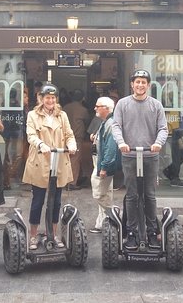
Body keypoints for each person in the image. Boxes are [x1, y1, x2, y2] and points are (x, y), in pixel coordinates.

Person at [111, 69, 168, 250]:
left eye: (144, 82)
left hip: (150, 156)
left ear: (148, 85)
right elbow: (116, 126)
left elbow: (163, 129)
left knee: (150, 195)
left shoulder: (156, 105)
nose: (140, 85)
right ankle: (131, 232)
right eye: (137, 82)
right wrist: (121, 143)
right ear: (132, 84)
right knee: (132, 195)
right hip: (130, 155)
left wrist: (158, 143)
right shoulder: (122, 104)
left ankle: (152, 232)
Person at [23, 84, 77, 250]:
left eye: (53, 98)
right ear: (41, 98)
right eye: (47, 98)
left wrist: (72, 144)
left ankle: (53, 234)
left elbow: (69, 134)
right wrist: (41, 144)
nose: (50, 101)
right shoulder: (33, 115)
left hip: (59, 160)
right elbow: (31, 135)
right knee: (38, 201)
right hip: (40, 161)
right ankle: (33, 236)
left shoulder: (62, 115)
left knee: (56, 201)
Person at [89, 96, 120, 234]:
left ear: (106, 109)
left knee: (100, 193)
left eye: (98, 106)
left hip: (103, 164)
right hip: (100, 161)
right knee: (105, 193)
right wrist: (96, 138)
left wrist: (105, 167)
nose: (95, 108)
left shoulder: (111, 123)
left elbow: (111, 148)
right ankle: (102, 224)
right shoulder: (106, 122)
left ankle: (113, 217)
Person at [63, 89, 91, 190]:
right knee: (74, 160)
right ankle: (71, 183)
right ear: (82, 98)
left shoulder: (65, 108)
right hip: (76, 138)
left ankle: (63, 181)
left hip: (63, 137)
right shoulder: (83, 110)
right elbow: (87, 122)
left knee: (64, 160)